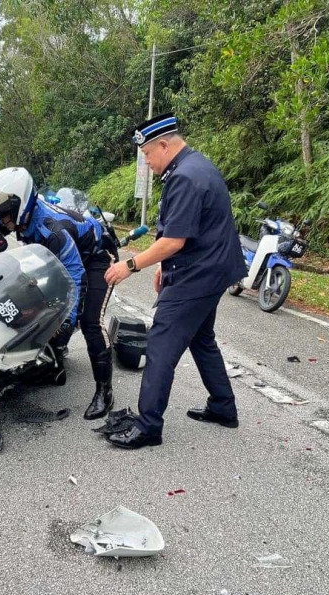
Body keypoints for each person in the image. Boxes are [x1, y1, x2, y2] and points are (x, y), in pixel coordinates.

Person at [102, 113, 248, 450]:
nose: (148, 164)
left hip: (197, 275)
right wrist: (162, 266)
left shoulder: (184, 177)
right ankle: (223, 407)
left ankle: (148, 425)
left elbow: (174, 240)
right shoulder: (196, 165)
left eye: (149, 155)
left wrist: (131, 265)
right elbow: (184, 230)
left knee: (160, 345)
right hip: (212, 269)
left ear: (164, 145)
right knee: (201, 338)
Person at [0, 167, 117, 420]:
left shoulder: (53, 229)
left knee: (89, 321)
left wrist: (67, 322)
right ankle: (54, 363)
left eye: (3, 214)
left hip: (95, 259)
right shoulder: (20, 212)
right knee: (32, 297)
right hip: (58, 259)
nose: (0, 218)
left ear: (19, 206)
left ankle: (104, 391)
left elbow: (76, 276)